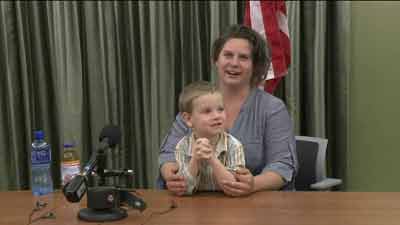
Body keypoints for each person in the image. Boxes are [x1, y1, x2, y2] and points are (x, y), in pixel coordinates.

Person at [158, 24, 298, 196]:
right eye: (228, 55)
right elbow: (168, 154)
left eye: (244, 58)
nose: (234, 63)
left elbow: (282, 167)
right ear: (216, 60)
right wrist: (172, 177)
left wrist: (253, 184)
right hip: (196, 205)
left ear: (255, 66)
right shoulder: (195, 101)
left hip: (253, 205)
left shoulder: (272, 109)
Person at [175, 81, 245, 195]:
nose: (217, 116)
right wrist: (195, 160)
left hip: (228, 207)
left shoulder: (234, 145)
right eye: (207, 111)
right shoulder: (182, 146)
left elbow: (234, 188)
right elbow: (184, 190)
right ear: (188, 119)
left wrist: (212, 158)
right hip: (193, 207)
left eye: (221, 109)